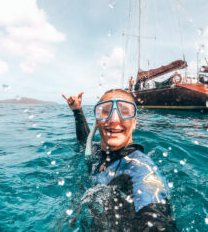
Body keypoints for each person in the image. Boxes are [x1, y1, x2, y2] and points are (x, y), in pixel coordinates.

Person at [62, 89, 177, 231]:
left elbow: (154, 217)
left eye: (125, 111)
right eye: (105, 111)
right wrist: (77, 111)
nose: (114, 119)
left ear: (134, 121)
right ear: (97, 122)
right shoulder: (97, 152)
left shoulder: (139, 169)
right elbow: (85, 143)